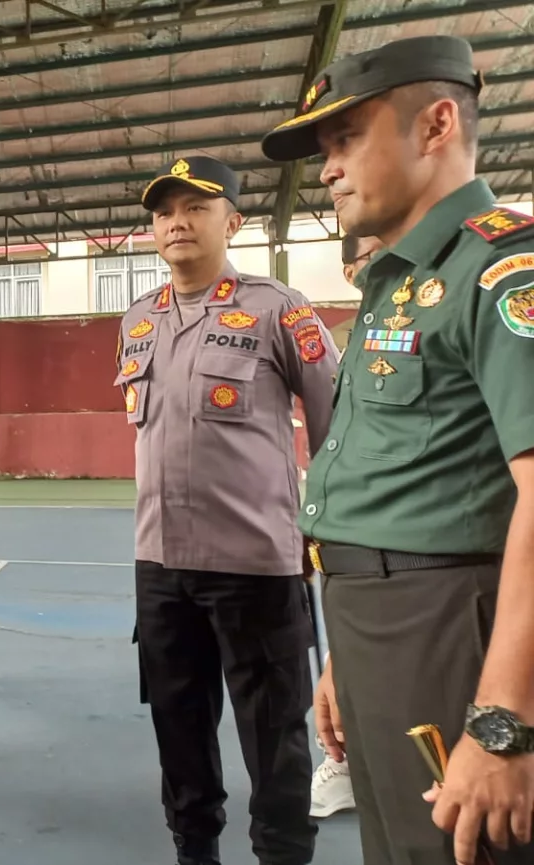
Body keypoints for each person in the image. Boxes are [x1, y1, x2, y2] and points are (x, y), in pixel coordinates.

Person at [263, 34, 534, 865]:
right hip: (376, 625)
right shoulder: (399, 284)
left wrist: (502, 720)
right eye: (324, 150)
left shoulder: (504, 271)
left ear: (436, 124)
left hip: (454, 631)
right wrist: (346, 653)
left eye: (347, 139)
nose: (329, 167)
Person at [118, 156, 338, 865]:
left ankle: (282, 853)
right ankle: (196, 852)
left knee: (275, 738)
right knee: (179, 734)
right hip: (160, 568)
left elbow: (339, 424)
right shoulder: (137, 319)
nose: (176, 222)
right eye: (163, 212)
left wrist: (327, 530)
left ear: (233, 221)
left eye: (195, 207)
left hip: (258, 566)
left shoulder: (280, 307)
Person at [307, 232, 383, 822]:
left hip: (433, 560)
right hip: (354, 549)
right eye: (357, 259)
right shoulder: (350, 339)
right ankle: (352, 762)